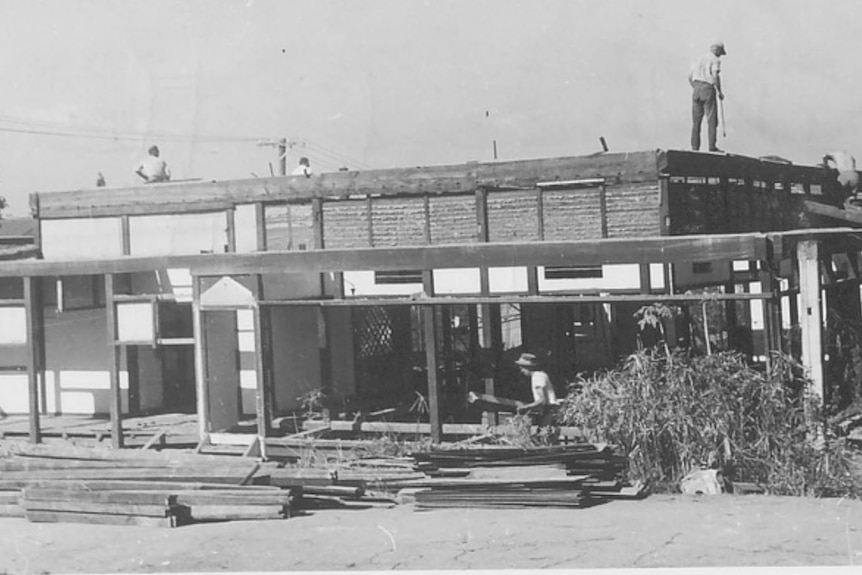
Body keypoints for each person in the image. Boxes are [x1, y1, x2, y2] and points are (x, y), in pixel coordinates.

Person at [689, 41, 726, 153]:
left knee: (696, 121)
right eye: (720, 52)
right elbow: (715, 75)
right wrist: (719, 91)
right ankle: (712, 147)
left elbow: (689, 76)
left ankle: (695, 148)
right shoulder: (715, 59)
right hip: (708, 89)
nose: (720, 55)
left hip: (696, 89)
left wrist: (696, 87)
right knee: (712, 120)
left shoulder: (699, 58)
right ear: (717, 50)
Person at [514, 353, 560, 438]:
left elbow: (542, 400)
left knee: (544, 437)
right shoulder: (541, 375)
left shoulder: (537, 377)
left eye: (522, 367)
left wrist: (526, 407)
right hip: (549, 411)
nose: (521, 370)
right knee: (543, 436)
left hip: (549, 411)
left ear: (529, 367)